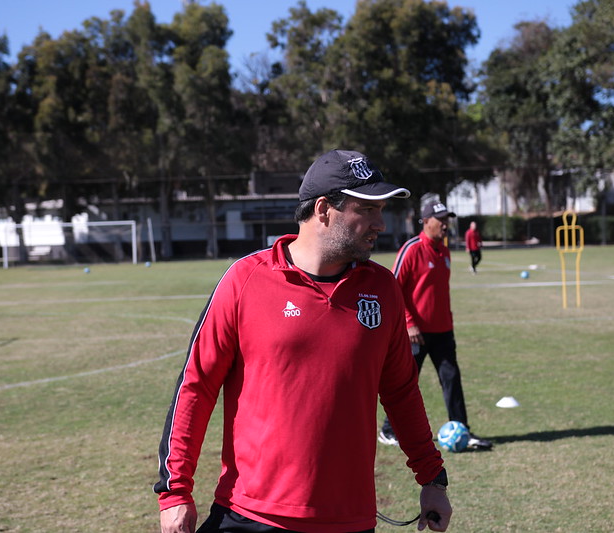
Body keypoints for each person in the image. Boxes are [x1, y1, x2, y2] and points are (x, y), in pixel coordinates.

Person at [155, 150, 453, 533]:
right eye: (368, 209)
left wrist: (432, 479)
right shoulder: (245, 280)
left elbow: (401, 392)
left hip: (347, 522)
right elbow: (196, 387)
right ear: (324, 209)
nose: (381, 223)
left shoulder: (383, 289)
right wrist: (175, 492)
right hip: (249, 517)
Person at [378, 196, 491, 451]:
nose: (444, 225)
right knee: (405, 383)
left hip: (443, 331)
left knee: (452, 379)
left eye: (446, 221)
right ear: (426, 221)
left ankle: (462, 429)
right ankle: (387, 430)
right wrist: (408, 323)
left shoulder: (445, 250)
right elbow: (393, 289)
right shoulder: (412, 249)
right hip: (415, 333)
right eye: (440, 220)